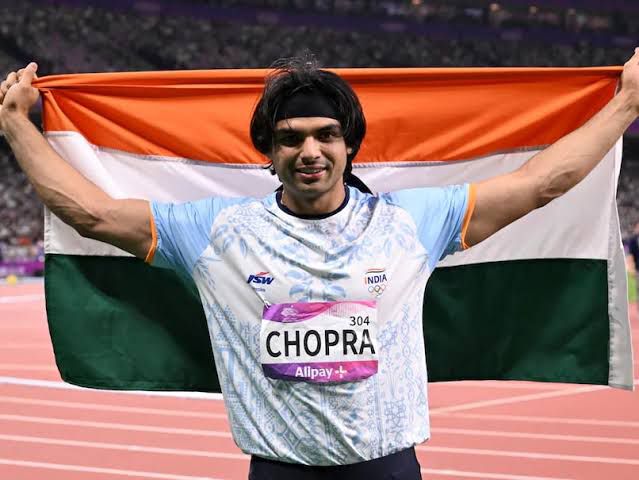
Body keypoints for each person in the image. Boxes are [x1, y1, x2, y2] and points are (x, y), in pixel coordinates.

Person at [1, 51, 638, 479]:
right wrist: (17, 127)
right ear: (269, 151)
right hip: (278, 470)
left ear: (350, 144)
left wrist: (627, 103)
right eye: (291, 138)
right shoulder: (216, 232)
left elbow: (540, 184)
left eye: (326, 135)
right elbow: (92, 214)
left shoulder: (411, 221)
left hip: (387, 468)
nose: (310, 151)